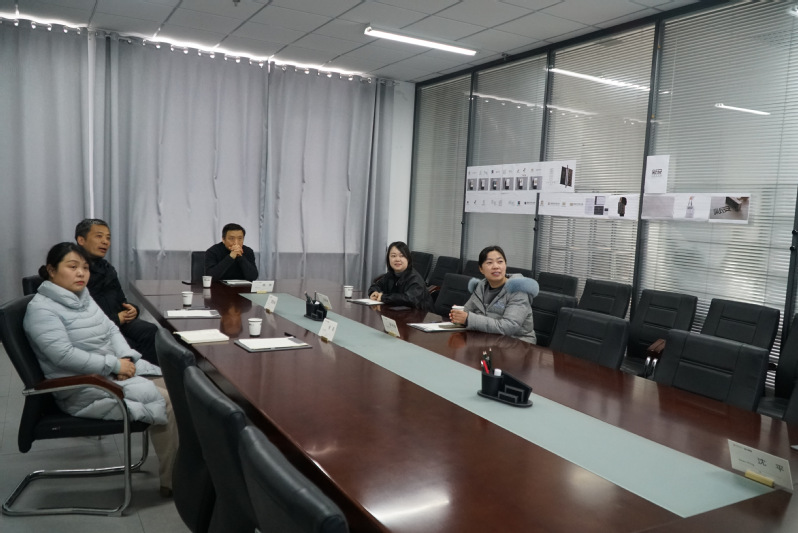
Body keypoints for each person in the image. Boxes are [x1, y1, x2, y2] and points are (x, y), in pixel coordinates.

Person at [23, 242, 178, 497]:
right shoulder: (42, 309)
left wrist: (124, 358)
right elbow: (64, 355)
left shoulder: (82, 297)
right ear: (51, 270)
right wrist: (114, 365)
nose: (81, 273)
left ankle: (187, 466)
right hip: (84, 388)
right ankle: (174, 481)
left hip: (108, 375)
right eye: (72, 267)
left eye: (85, 268)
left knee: (180, 387)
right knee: (168, 401)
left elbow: (111, 329)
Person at [75, 218, 159, 364]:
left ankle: (149, 372)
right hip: (95, 329)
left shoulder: (107, 268)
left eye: (108, 238)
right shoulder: (75, 273)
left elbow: (122, 301)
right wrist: (116, 319)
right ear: (81, 240)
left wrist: (133, 309)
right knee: (126, 343)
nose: (105, 242)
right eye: (99, 236)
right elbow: (79, 316)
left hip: (118, 321)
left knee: (150, 330)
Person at [450, 245, 539, 344]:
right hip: (489, 340)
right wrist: (458, 314)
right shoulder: (481, 286)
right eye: (489, 262)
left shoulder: (518, 290)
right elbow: (467, 310)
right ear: (481, 269)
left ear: (505, 265)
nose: (496, 266)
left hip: (517, 343)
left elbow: (509, 326)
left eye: (500, 262)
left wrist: (468, 319)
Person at [368, 241, 433, 311]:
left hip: (421, 315)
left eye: (402, 256)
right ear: (388, 259)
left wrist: (383, 297)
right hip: (400, 313)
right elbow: (376, 285)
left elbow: (409, 299)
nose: (397, 259)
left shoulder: (415, 279)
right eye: (393, 256)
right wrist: (374, 292)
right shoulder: (390, 274)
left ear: (408, 259)